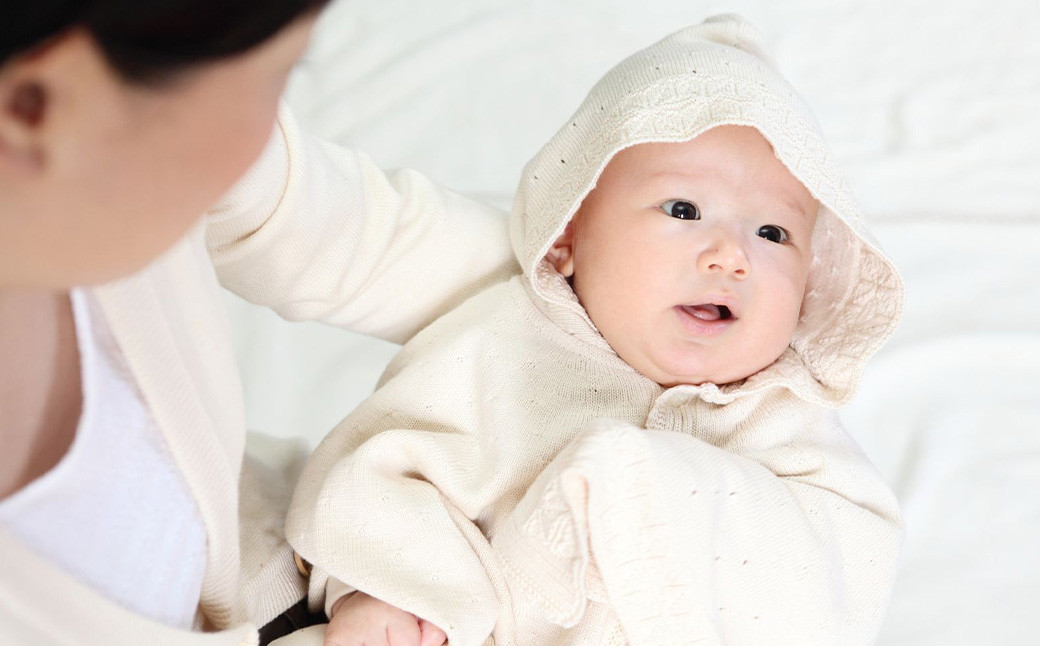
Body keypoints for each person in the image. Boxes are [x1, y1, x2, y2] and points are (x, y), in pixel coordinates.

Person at [284, 14, 905, 646]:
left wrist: (643, 488)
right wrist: (384, 593)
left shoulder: (787, 423)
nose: (731, 255)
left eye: (773, 233)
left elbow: (842, 567)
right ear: (569, 237)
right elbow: (392, 474)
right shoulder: (508, 348)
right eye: (683, 210)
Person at [0, 2, 516, 644]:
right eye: (281, 77)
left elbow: (337, 228)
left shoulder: (116, 148)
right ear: (32, 104)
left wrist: (590, 284)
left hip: (306, 555)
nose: (271, 131)